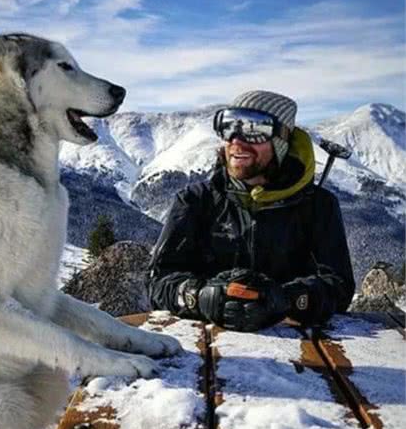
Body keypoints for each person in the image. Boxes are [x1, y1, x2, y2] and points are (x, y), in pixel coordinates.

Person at [148, 90, 355, 331]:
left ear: (281, 141)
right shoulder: (195, 202)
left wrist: (286, 300)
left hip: (299, 349)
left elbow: (339, 287)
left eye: (255, 130)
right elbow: (158, 282)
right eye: (228, 127)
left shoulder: (318, 207)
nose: (236, 141)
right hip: (203, 344)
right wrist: (200, 297)